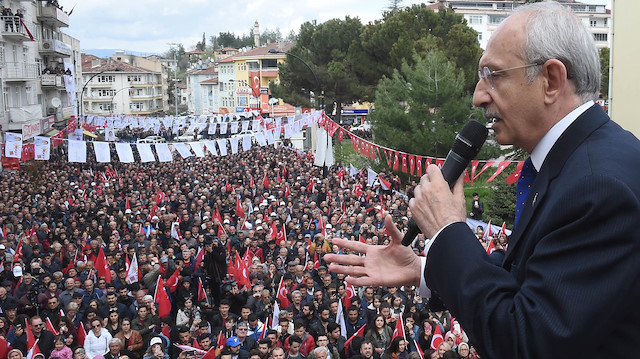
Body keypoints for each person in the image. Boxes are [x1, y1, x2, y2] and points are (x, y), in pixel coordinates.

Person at [325, 2, 640, 359]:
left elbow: (527, 342)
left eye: (494, 75)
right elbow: (528, 281)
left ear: (551, 80)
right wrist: (423, 268)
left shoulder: (598, 186)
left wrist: (446, 230)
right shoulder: (581, 160)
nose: (478, 95)